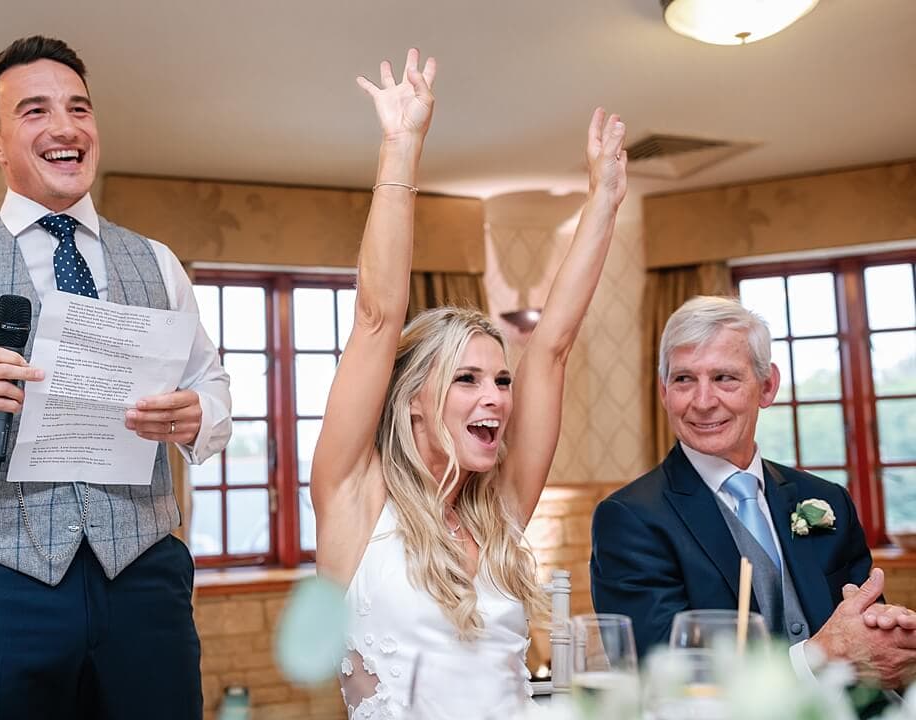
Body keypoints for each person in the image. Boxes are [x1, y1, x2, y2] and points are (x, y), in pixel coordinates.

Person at [0, 36, 231, 719]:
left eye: (79, 108)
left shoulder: (161, 263)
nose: (65, 127)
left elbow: (215, 389)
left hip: (145, 577)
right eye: (35, 111)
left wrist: (199, 414)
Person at [310, 48, 628, 719]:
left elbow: (553, 349)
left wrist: (604, 199)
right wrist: (401, 147)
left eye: (501, 381)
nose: (498, 397)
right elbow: (376, 318)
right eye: (468, 379)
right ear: (415, 402)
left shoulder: (501, 511)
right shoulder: (355, 499)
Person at [590, 295, 916, 690]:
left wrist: (889, 636)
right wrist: (817, 657)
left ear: (767, 386)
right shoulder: (630, 518)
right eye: (683, 379)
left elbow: (866, 641)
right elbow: (665, 674)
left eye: (724, 378)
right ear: (663, 391)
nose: (703, 401)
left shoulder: (827, 500)